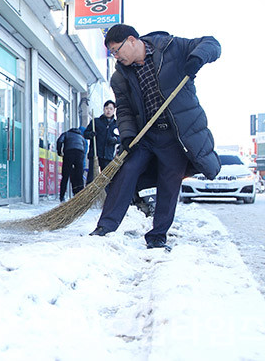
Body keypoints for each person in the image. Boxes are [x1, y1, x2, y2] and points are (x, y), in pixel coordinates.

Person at [89, 24, 221, 249]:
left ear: (132, 40)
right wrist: (128, 136)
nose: (116, 56)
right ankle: (105, 227)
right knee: (125, 173)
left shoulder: (172, 48)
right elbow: (125, 109)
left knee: (169, 184)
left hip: (175, 134)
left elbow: (212, 44)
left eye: (116, 50)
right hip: (145, 135)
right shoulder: (120, 76)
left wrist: (197, 59)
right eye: (112, 53)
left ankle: (158, 235)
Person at [83, 100, 119, 184]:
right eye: (106, 108)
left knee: (106, 179)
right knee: (91, 178)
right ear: (104, 109)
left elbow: (120, 138)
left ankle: (106, 196)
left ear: (114, 110)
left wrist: (115, 140)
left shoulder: (116, 124)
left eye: (110, 108)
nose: (108, 110)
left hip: (108, 156)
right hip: (95, 154)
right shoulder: (96, 122)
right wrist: (90, 134)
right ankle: (89, 196)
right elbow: (85, 134)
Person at [56, 128, 86, 201]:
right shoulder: (81, 137)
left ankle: (62, 196)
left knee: (65, 176)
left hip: (69, 153)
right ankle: (80, 196)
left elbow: (59, 141)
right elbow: (84, 147)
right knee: (79, 176)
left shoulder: (66, 134)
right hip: (79, 154)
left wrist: (59, 152)